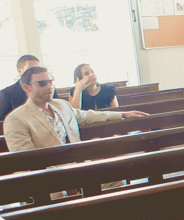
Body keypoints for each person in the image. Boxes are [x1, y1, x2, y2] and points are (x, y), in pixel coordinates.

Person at [3, 66, 145, 151]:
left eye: (51, 82)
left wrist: (123, 114)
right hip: (48, 177)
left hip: (78, 165)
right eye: (42, 83)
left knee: (117, 179)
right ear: (26, 88)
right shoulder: (16, 119)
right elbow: (27, 160)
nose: (49, 87)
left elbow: (88, 116)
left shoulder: (61, 105)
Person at [0, 54, 39, 122]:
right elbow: (3, 121)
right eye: (30, 68)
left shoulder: (48, 88)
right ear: (20, 71)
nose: (35, 71)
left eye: (37, 68)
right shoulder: (6, 94)